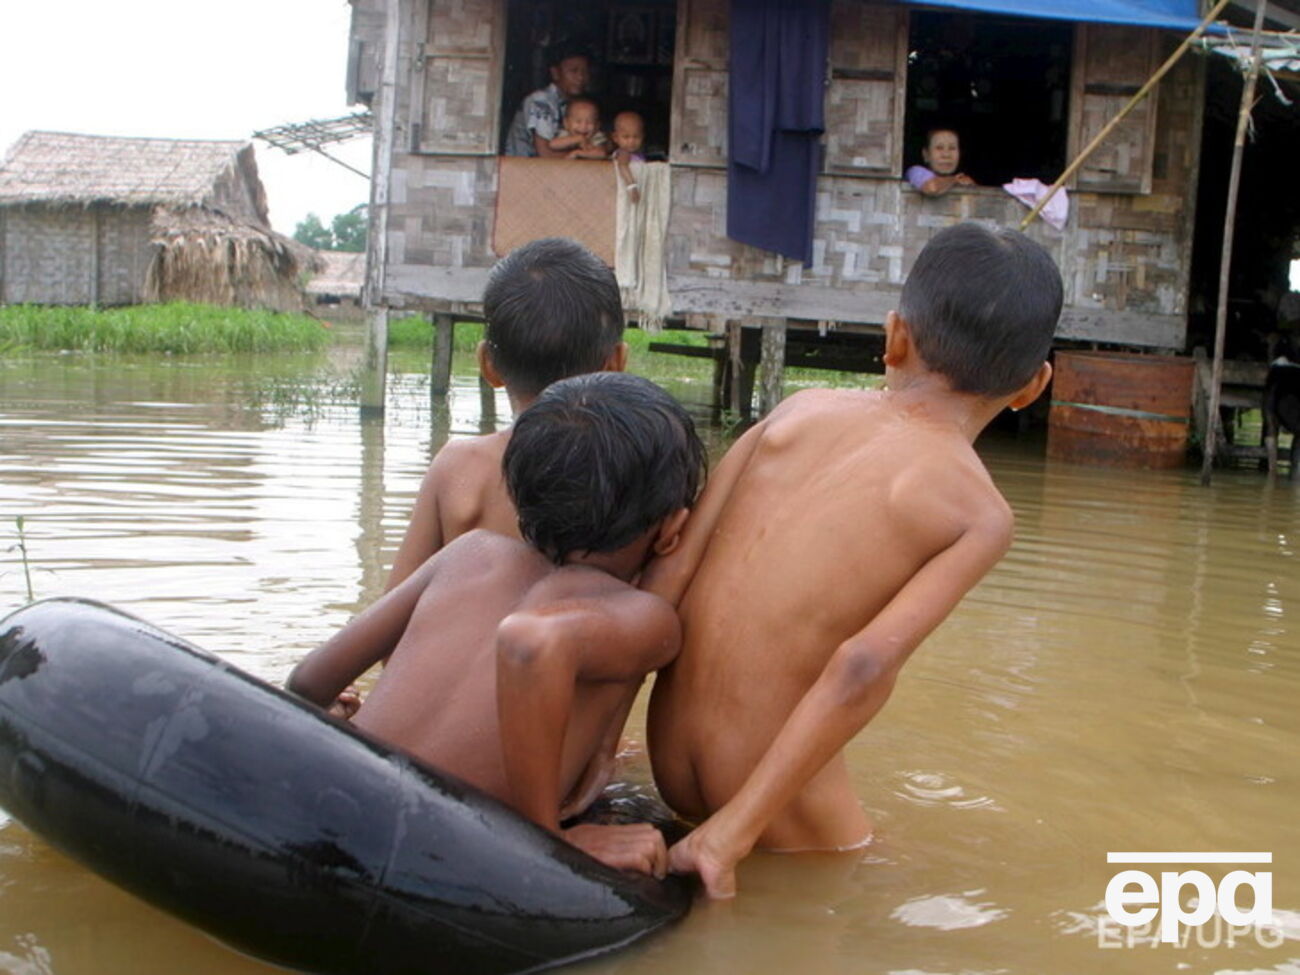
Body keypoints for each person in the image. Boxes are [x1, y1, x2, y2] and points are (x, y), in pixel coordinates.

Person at [642, 223, 1060, 898]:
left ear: (895, 336)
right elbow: (864, 664)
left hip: (668, 760)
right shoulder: (979, 512)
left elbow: (669, 572)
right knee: (873, 877)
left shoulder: (792, 413)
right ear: (1032, 386)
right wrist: (731, 834)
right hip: (771, 803)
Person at [288, 372, 706, 874]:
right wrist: (548, 841)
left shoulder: (468, 553)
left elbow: (308, 680)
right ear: (671, 530)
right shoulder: (645, 617)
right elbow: (530, 643)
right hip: (442, 858)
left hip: (335, 809)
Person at [384, 237, 628, 591]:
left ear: (487, 364)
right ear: (616, 364)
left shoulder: (458, 467)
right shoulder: (634, 472)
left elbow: (392, 608)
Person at [504, 50, 592, 158]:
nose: (580, 77)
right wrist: (582, 156)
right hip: (522, 169)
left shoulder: (575, 103)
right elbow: (545, 154)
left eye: (585, 72)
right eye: (574, 71)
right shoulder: (541, 101)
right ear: (555, 73)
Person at [904, 127, 975, 197]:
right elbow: (932, 188)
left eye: (952, 148)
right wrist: (954, 180)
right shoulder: (915, 171)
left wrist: (972, 186)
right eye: (939, 148)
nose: (946, 155)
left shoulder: (960, 179)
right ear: (926, 154)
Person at [610, 111, 646, 204]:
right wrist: (631, 186)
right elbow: (623, 166)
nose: (631, 141)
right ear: (615, 137)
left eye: (636, 137)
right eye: (626, 137)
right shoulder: (623, 153)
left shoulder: (637, 154)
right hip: (628, 190)